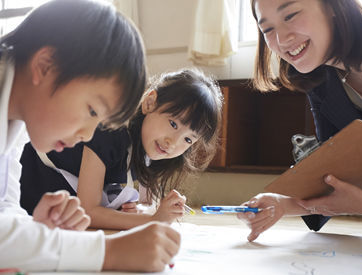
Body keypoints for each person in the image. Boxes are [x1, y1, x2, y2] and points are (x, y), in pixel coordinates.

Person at [0, 0, 181, 272]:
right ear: (45, 66)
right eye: (92, 110)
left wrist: (36, 231)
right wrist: (108, 251)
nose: (87, 135)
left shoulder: (17, 123)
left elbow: (4, 211)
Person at [20, 68, 223, 230]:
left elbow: (139, 201)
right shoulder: (110, 131)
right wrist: (153, 220)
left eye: (188, 139)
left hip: (57, 210)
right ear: (150, 103)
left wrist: (139, 210)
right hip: (29, 183)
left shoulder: (150, 151)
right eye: (173, 124)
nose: (173, 143)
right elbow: (87, 211)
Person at [237, 0, 362, 242]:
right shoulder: (321, 82)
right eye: (267, 29)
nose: (281, 39)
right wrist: (282, 204)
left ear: (332, 7)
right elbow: (331, 171)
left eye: (290, 15)